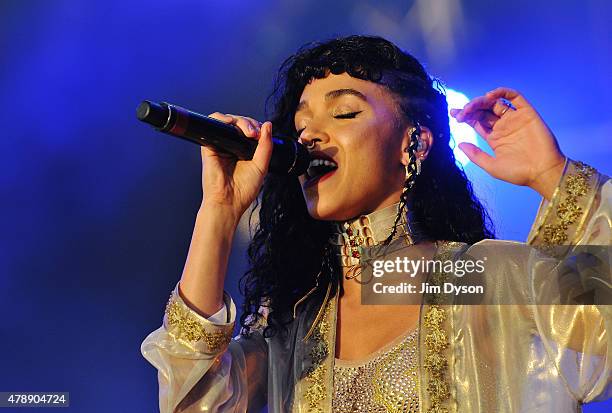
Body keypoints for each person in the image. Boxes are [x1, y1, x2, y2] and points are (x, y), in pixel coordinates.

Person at [141, 35, 611, 412]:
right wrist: (219, 213)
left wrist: (555, 177)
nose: (309, 136)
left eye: (344, 112)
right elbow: (193, 402)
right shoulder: (296, 325)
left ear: (415, 143)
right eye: (301, 126)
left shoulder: (466, 278)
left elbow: (601, 334)